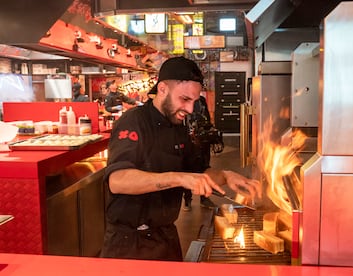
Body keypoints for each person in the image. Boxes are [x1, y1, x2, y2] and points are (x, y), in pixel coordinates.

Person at [100, 56, 261, 261]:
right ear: (163, 89)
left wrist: (226, 175)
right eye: (185, 99)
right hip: (130, 244)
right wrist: (179, 178)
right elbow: (117, 181)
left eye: (194, 101)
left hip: (166, 237)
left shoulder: (178, 126)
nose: (190, 109)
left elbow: (198, 171)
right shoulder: (134, 121)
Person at [182, 95, 219, 211]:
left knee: (204, 168)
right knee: (187, 169)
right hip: (188, 141)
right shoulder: (183, 100)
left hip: (203, 141)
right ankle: (187, 200)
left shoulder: (202, 101)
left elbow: (207, 119)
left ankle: (204, 198)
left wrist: (210, 133)